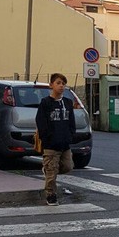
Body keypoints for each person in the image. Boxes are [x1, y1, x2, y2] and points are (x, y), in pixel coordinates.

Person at [35, 73, 76, 206]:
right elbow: (41, 122)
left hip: (65, 143)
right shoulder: (46, 103)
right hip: (51, 145)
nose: (61, 86)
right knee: (52, 173)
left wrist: (70, 135)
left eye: (63, 83)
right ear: (51, 85)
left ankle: (47, 169)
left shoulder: (68, 103)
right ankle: (51, 195)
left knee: (68, 166)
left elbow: (71, 121)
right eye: (58, 83)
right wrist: (46, 138)